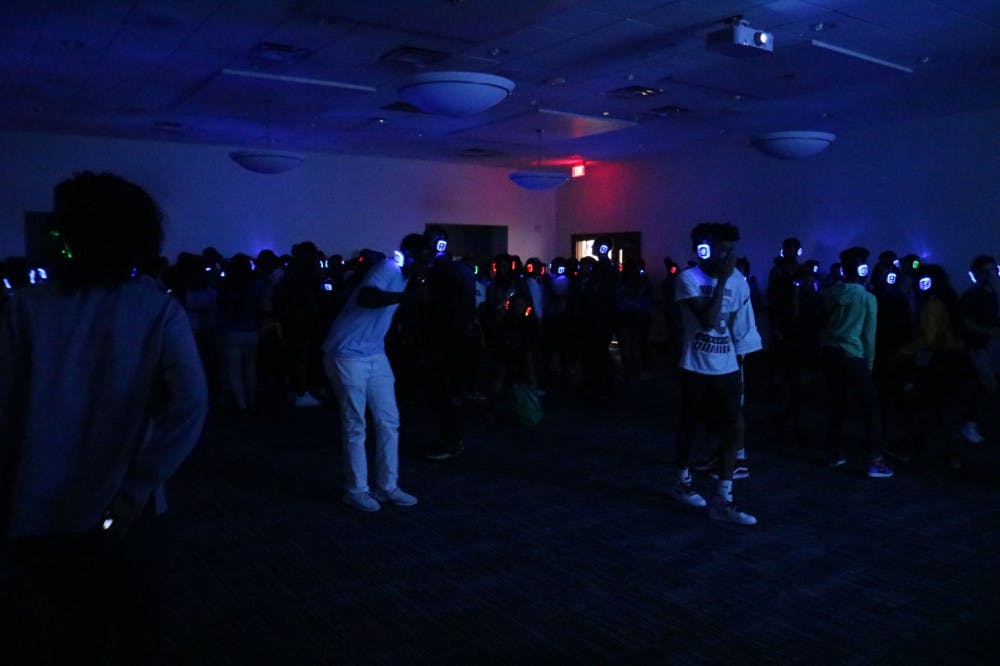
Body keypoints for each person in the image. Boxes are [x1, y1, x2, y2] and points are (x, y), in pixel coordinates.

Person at [0, 171, 208, 663]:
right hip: (122, 510)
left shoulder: (24, 308)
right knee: (140, 629)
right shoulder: (157, 309)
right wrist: (139, 486)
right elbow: (190, 405)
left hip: (39, 504)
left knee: (73, 628)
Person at [323, 234, 431, 512]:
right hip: (346, 353)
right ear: (408, 253)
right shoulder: (387, 267)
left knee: (388, 421)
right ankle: (356, 489)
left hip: (373, 353)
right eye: (422, 256)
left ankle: (386, 487)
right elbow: (366, 296)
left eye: (429, 258)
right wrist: (406, 297)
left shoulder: (409, 277)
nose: (426, 262)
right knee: (355, 423)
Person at [668, 222, 757, 526]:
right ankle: (681, 481)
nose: (729, 256)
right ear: (708, 249)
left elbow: (741, 324)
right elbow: (706, 320)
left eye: (733, 250)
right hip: (695, 365)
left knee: (733, 426)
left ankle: (724, 497)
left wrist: (742, 360)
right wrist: (720, 283)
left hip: (727, 365)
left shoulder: (739, 280)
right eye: (724, 250)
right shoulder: (687, 279)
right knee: (689, 426)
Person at [819, 246, 893, 478]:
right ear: (863, 269)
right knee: (871, 408)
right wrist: (869, 363)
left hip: (830, 353)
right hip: (853, 356)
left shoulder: (829, 292)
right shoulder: (868, 298)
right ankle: (875, 459)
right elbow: (868, 336)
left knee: (836, 403)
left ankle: (835, 452)